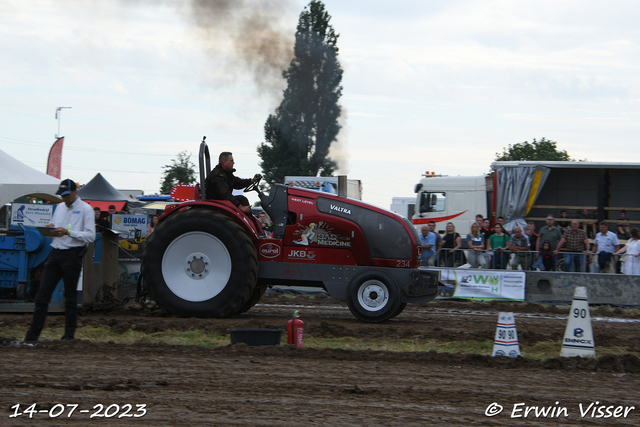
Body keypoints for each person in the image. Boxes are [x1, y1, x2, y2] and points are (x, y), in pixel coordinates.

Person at [24, 179, 95, 342]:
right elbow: (57, 228)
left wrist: (68, 232)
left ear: (75, 192)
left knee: (70, 298)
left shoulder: (86, 209)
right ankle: (31, 337)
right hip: (56, 252)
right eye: (62, 195)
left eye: (67, 195)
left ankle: (68, 337)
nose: (64, 198)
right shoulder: (59, 207)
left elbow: (90, 235)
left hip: (73, 254)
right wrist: (51, 228)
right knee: (42, 296)